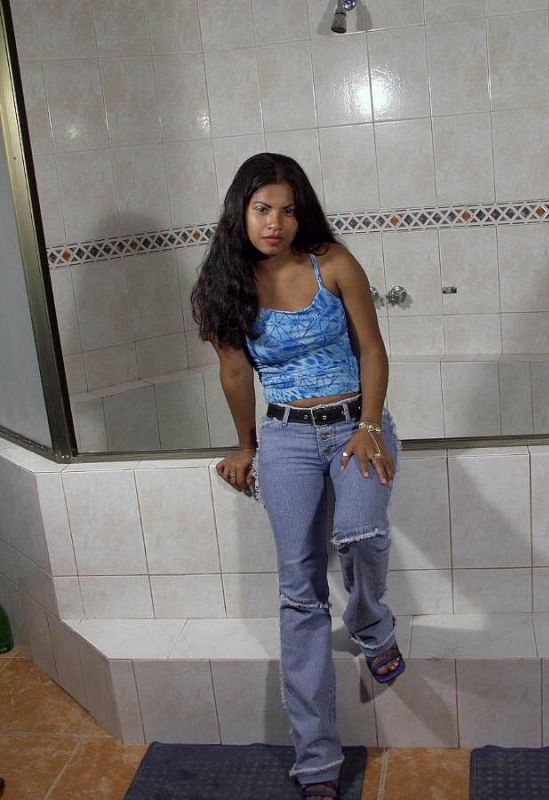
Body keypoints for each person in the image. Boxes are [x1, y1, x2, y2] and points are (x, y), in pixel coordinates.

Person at [191, 153, 405, 800]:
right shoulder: (222, 288)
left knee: (361, 533)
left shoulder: (332, 262)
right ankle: (316, 760)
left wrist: (370, 425)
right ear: (241, 211)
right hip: (285, 436)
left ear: (300, 211)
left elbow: (372, 348)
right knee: (300, 593)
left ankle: (372, 625)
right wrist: (246, 447)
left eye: (286, 210)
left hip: (354, 425)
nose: (275, 223)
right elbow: (236, 374)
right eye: (262, 209)